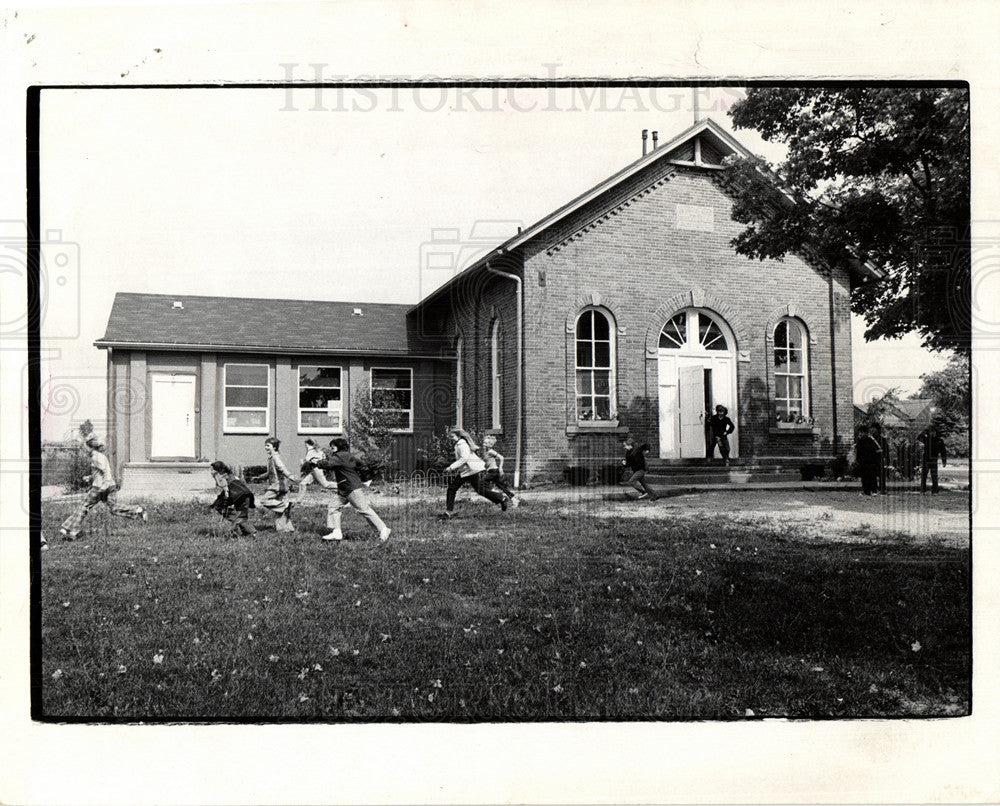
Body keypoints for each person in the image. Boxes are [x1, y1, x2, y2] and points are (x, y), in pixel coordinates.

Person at [59, 436, 147, 539]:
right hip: (108, 486)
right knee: (113, 509)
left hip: (100, 487)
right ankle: (138, 510)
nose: (83, 449)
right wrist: (91, 477)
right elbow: (100, 472)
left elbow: (106, 472)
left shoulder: (96, 457)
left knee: (84, 506)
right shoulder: (98, 456)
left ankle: (70, 529)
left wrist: (104, 486)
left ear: (91, 447)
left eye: (84, 447)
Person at [312, 437, 391, 541]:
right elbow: (362, 465)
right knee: (333, 506)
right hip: (346, 487)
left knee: (364, 509)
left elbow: (327, 464)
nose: (331, 449)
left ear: (338, 447)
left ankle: (383, 529)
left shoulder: (339, 456)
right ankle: (336, 532)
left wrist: (314, 464)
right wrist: (365, 478)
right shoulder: (349, 456)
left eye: (332, 447)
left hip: (350, 488)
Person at [443, 427, 507, 517]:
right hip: (469, 470)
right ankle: (501, 498)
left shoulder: (462, 444)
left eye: (452, 436)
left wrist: (451, 467)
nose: (451, 438)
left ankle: (449, 512)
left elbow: (464, 459)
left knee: (453, 488)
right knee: (479, 490)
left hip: (471, 470)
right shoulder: (459, 444)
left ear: (458, 436)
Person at [253, 437, 299, 532]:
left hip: (277, 485)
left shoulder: (275, 457)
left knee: (265, 500)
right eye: (265, 445)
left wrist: (290, 475)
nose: (266, 447)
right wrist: (259, 477)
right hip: (281, 485)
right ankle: (286, 529)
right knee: (280, 511)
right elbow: (270, 472)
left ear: (274, 447)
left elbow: (281, 468)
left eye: (268, 446)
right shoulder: (272, 457)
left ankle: (284, 505)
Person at [209, 461, 257, 537]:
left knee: (219, 506)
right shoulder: (231, 474)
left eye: (212, 470)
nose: (211, 472)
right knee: (242, 515)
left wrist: (225, 497)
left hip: (238, 494)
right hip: (246, 494)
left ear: (219, 470)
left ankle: (245, 528)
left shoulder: (220, 476)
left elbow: (225, 488)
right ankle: (247, 532)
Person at [481, 433, 518, 507]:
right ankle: (514, 499)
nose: (484, 444)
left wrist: (500, 467)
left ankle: (495, 493)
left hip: (493, 471)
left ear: (490, 445)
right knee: (501, 486)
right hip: (491, 471)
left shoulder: (490, 451)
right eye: (483, 443)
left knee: (482, 482)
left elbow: (501, 457)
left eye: (486, 443)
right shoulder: (484, 452)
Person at [621, 435, 656, 500]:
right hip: (636, 470)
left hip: (641, 469)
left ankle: (643, 492)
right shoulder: (627, 454)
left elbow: (646, 444)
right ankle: (654, 495)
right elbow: (628, 464)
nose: (624, 447)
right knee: (644, 483)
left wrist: (647, 450)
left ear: (629, 445)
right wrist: (624, 464)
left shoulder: (637, 448)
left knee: (631, 481)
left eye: (625, 446)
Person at [917, 423, 948, 494]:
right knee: (924, 475)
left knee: (934, 475)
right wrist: (925, 430)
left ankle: (935, 490)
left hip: (934, 459)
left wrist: (944, 460)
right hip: (926, 459)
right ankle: (923, 490)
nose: (932, 433)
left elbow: (943, 452)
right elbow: (919, 437)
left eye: (933, 432)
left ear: (936, 432)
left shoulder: (939, 441)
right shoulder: (927, 439)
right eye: (931, 432)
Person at [854, 425, 883, 496]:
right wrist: (857, 460)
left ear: (866, 433)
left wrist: (876, 460)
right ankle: (866, 491)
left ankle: (874, 490)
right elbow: (857, 451)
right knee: (864, 477)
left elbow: (878, 450)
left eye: (862, 433)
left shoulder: (871, 440)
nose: (860, 434)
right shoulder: (859, 441)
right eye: (859, 433)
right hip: (862, 462)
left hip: (871, 463)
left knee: (871, 477)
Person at [871, 424, 892, 494]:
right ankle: (874, 488)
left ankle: (882, 488)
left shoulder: (882, 439)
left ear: (878, 430)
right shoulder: (870, 439)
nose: (873, 430)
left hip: (880, 459)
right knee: (872, 474)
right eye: (872, 428)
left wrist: (887, 460)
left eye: (874, 428)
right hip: (872, 458)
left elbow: (886, 450)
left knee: (881, 474)